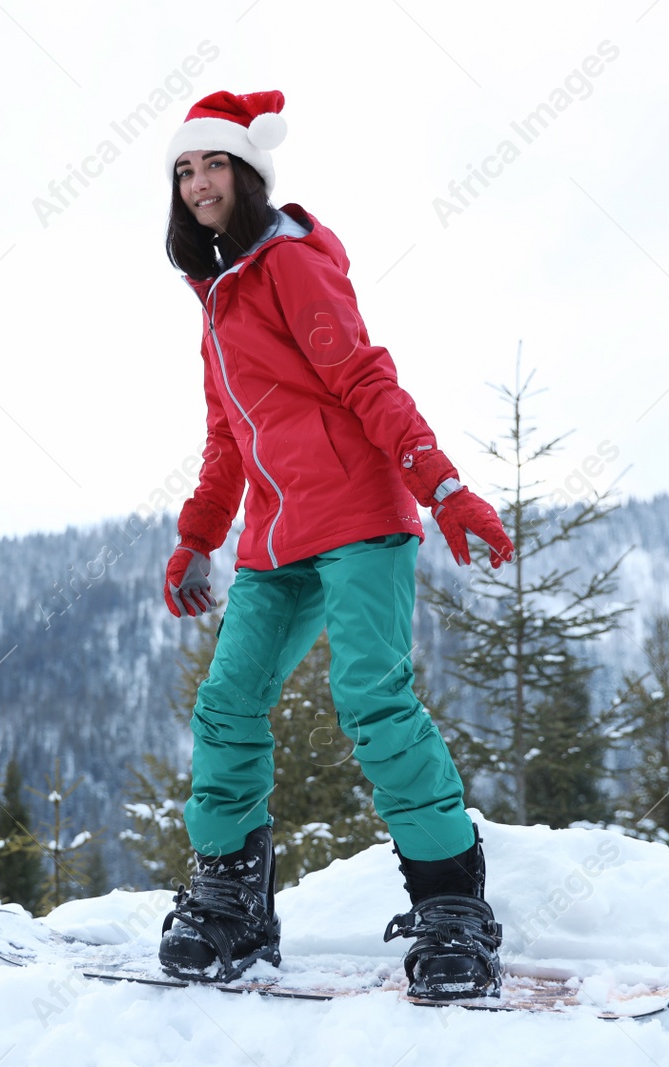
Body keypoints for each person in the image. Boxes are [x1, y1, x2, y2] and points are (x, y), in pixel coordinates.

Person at [155, 89, 516, 1001]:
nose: (199, 181)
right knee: (226, 706)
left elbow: (363, 375)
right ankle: (234, 902)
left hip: (358, 517)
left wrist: (442, 488)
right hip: (274, 541)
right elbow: (227, 437)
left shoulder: (292, 263)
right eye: (184, 168)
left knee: (372, 700)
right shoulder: (216, 303)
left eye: (213, 163)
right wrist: (198, 537)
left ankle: (451, 909)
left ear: (247, 172)